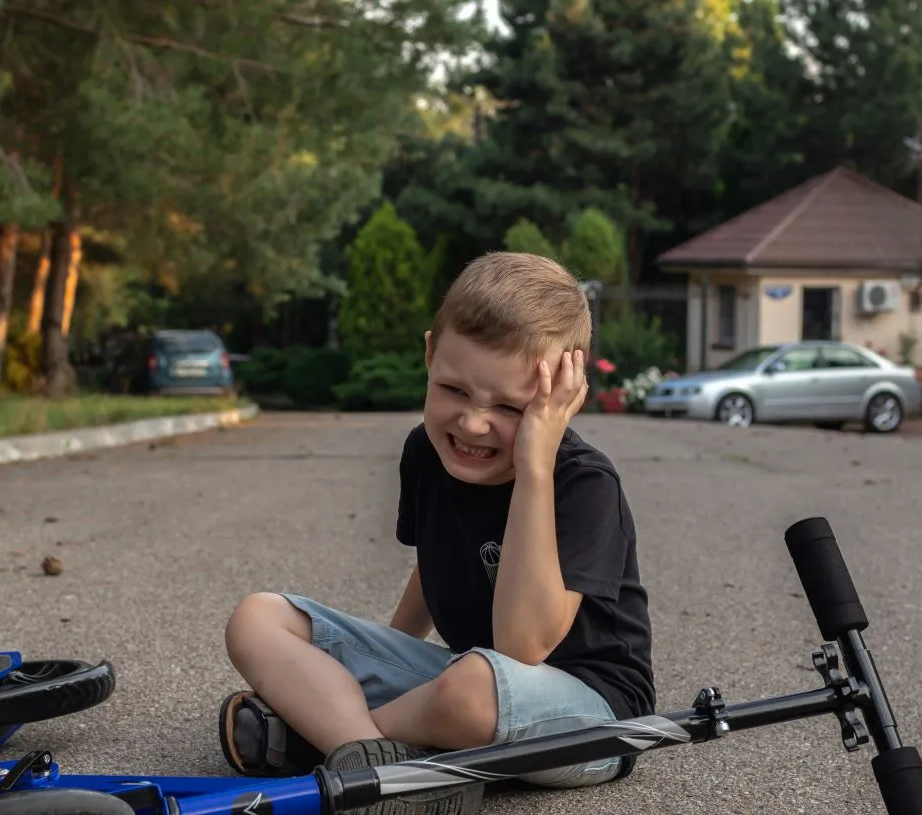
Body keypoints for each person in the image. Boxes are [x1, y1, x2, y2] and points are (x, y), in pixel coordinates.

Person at [219, 251, 656, 815]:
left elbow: (523, 648)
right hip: (466, 679)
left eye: (510, 406)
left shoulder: (581, 482)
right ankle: (385, 766)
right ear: (429, 353)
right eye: (454, 391)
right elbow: (437, 565)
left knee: (469, 689)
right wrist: (376, 667)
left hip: (590, 714)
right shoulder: (425, 453)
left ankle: (330, 742)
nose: (473, 424)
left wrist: (535, 467)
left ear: (562, 401)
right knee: (257, 617)